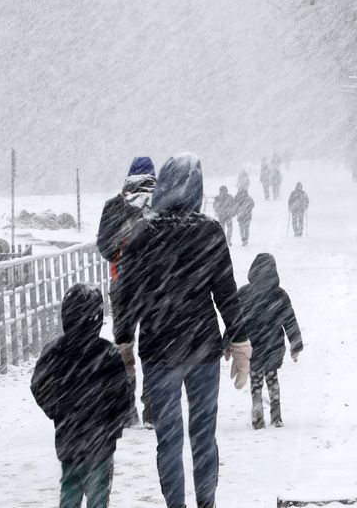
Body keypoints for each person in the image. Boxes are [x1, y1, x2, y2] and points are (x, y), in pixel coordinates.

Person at [120, 153, 251, 508]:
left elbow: (127, 292)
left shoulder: (142, 232)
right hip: (203, 348)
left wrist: (123, 340)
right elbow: (225, 290)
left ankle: (175, 504)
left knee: (169, 437)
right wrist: (239, 340)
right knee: (204, 435)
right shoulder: (209, 231)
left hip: (158, 348)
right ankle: (206, 502)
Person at [31, 283, 132, 508]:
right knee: (98, 496)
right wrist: (115, 425)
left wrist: (56, 409)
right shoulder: (107, 354)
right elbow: (123, 395)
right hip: (101, 441)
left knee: (70, 490)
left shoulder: (54, 352)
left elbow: (38, 385)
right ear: (97, 318)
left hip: (69, 438)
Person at [96, 156, 155, 426]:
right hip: (157, 286)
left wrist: (121, 254)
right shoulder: (162, 203)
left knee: (123, 346)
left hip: (122, 285)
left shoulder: (114, 206)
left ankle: (127, 409)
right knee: (154, 346)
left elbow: (103, 245)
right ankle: (153, 408)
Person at [238, 254, 303, 429]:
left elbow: (235, 321)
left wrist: (228, 343)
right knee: (272, 376)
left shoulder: (245, 293)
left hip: (253, 342)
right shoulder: (279, 295)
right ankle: (276, 414)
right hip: (274, 343)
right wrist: (295, 344)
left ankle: (257, 404)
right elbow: (290, 320)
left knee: (256, 376)